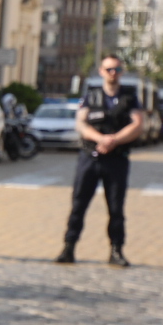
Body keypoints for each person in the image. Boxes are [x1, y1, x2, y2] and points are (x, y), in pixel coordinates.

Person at [56, 54, 144, 267]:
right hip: (90, 158)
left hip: (117, 159)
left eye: (117, 70)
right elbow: (82, 124)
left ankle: (116, 251)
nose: (113, 74)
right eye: (109, 69)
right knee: (78, 204)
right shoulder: (91, 96)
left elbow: (137, 124)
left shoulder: (130, 96)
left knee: (116, 208)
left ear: (122, 72)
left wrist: (113, 140)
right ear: (102, 72)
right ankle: (69, 248)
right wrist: (100, 139)